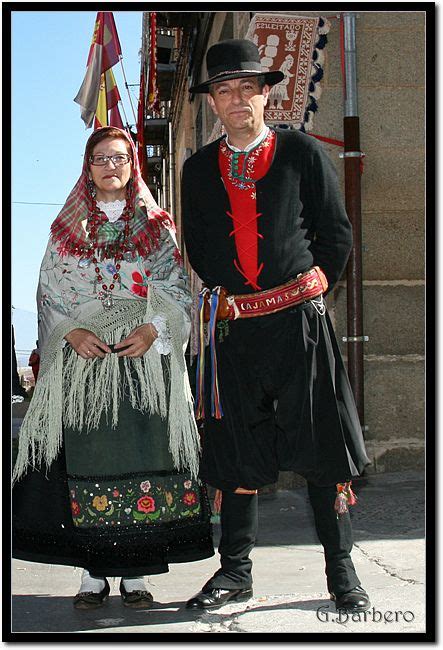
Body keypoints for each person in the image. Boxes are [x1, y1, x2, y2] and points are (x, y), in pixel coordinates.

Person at [181, 39, 371, 612]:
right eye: (223, 90)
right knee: (237, 452)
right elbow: (200, 246)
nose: (235, 99)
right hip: (236, 335)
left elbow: (335, 232)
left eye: (246, 88)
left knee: (320, 447)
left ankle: (341, 573)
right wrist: (231, 298)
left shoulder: (300, 152)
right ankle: (234, 573)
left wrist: (314, 284)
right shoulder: (196, 169)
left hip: (300, 328)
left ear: (265, 94)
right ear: (213, 102)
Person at [12, 126, 213, 610]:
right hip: (86, 363)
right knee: (87, 460)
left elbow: (176, 289)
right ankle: (92, 574)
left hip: (143, 360)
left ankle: (137, 574)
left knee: (142, 457)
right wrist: (70, 334)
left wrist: (152, 330)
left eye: (119, 157)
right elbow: (49, 294)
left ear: (132, 166)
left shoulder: (157, 227)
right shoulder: (65, 230)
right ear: (88, 167)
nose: (110, 166)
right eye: (100, 158)